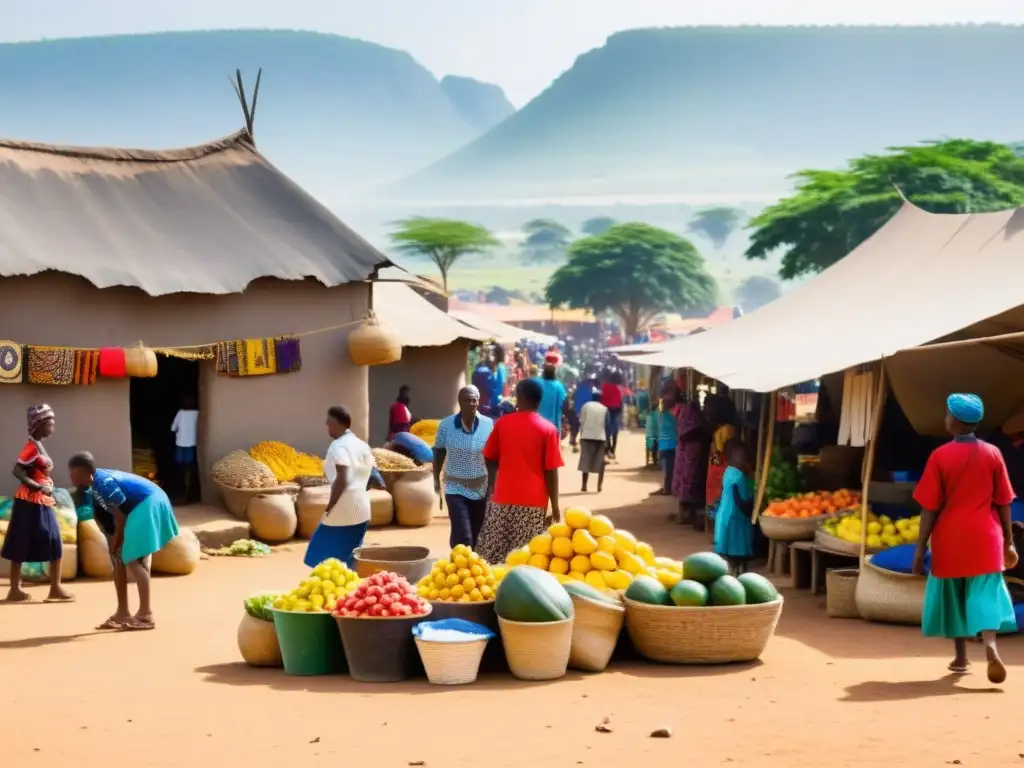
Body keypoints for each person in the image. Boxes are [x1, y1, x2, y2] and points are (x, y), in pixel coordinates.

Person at [912, 393, 1018, 683]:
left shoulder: (940, 456)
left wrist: (920, 548)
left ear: (955, 422)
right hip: (986, 536)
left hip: (950, 538)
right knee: (984, 592)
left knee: (955, 596)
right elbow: (1004, 501)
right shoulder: (993, 453)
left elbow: (929, 507)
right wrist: (1009, 540)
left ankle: (960, 657)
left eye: (947, 414)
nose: (945, 419)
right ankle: (991, 645)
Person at [68, 452, 179, 630]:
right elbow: (107, 517)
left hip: (148, 502)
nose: (71, 478)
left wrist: (118, 540)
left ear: (83, 473)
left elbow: (120, 516)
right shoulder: (90, 490)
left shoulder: (103, 483)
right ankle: (122, 613)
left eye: (73, 475)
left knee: (132, 558)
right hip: (136, 509)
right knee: (119, 560)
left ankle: (146, 615)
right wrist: (113, 542)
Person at [476, 378, 564, 563]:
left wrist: (493, 483)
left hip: (502, 498)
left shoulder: (502, 424)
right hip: (533, 503)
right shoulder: (549, 430)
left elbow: (489, 457)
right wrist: (555, 506)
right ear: (539, 400)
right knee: (525, 557)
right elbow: (551, 471)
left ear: (520, 397)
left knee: (491, 554)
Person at [2, 404, 72, 603]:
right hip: (29, 502)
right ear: (39, 424)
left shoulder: (38, 445)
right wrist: (38, 487)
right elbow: (17, 471)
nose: (53, 426)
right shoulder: (30, 448)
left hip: (40, 501)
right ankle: (17, 590)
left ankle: (54, 587)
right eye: (50, 422)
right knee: (21, 541)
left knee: (53, 540)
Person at [303, 406, 377, 570]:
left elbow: (343, 478)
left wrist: (331, 506)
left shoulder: (339, 446)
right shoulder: (361, 444)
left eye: (329, 422)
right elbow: (372, 475)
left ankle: (332, 590)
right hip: (362, 508)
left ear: (337, 424)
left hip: (343, 509)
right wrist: (359, 492)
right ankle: (350, 590)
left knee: (318, 555)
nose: (327, 425)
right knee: (350, 556)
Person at [433, 386, 494, 549]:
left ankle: (468, 567)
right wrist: (436, 480)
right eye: (468, 400)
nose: (472, 403)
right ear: (460, 402)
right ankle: (459, 561)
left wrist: (493, 485)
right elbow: (438, 452)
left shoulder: (488, 425)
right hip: (455, 486)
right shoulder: (446, 425)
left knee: (477, 534)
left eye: (475, 400)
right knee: (463, 534)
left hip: (481, 485)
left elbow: (493, 457)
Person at [713, 440, 755, 574]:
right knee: (738, 554)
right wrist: (751, 513)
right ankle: (739, 573)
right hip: (736, 519)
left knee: (726, 553)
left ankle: (733, 571)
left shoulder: (728, 472)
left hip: (724, 516)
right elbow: (742, 501)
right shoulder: (740, 478)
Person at [673, 391, 708, 526]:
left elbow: (690, 433)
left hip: (691, 452)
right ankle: (687, 513)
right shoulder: (683, 411)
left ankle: (689, 514)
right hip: (686, 452)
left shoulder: (686, 412)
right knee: (686, 480)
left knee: (690, 481)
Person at [705, 394, 738, 515]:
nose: (706, 412)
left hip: (721, 471)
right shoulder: (720, 429)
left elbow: (726, 452)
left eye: (708, 409)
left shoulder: (727, 430)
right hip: (716, 472)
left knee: (720, 499)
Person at [170, 395, 199, 503]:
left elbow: (173, 428)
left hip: (181, 444)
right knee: (189, 468)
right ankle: (187, 492)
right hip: (193, 444)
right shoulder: (198, 413)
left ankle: (183, 492)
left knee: (180, 468)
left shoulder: (181, 413)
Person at [653, 382, 680, 495]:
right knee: (671, 469)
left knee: (668, 470)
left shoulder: (662, 414)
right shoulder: (675, 413)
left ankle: (668, 489)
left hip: (667, 444)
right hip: (672, 443)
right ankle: (668, 487)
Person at [578, 391, 608, 493]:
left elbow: (581, 421)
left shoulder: (586, 406)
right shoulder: (604, 409)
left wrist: (581, 435)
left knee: (585, 461)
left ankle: (584, 485)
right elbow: (607, 425)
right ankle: (599, 486)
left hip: (586, 436)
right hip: (600, 437)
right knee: (600, 462)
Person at [535, 352, 567, 429]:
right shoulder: (559, 386)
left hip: (537, 423)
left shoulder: (537, 383)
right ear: (554, 373)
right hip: (553, 424)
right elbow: (563, 402)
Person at [601, 371, 625, 459]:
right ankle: (613, 450)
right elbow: (621, 401)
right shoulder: (619, 388)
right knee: (615, 431)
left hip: (606, 409)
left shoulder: (605, 386)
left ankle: (607, 449)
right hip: (616, 410)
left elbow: (602, 398)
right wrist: (621, 414)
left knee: (607, 430)